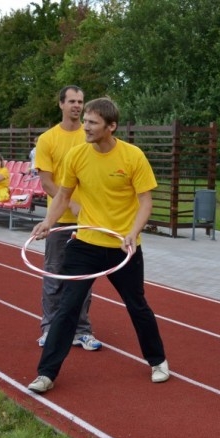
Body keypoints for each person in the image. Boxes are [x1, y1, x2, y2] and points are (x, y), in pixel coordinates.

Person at [27, 97, 170, 393]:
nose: (86, 127)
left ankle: (157, 361)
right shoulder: (77, 155)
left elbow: (146, 202)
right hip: (85, 245)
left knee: (137, 305)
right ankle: (46, 373)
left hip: (123, 246)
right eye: (86, 121)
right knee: (67, 308)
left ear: (111, 126)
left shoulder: (132, 157)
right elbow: (63, 196)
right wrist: (48, 223)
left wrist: (132, 232)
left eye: (92, 123)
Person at [33, 85, 102, 351]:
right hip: (60, 219)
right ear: (61, 104)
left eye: (80, 101)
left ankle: (82, 330)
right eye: (71, 101)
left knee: (84, 277)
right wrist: (71, 205)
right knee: (54, 274)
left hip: (88, 221)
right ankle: (49, 328)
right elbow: (47, 183)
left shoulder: (90, 138)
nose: (76, 105)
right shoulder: (48, 139)